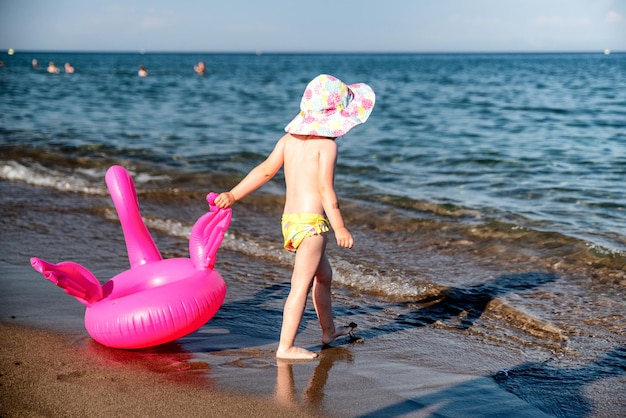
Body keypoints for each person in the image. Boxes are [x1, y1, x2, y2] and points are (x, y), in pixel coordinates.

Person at [214, 74, 375, 360]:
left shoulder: (288, 140)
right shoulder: (327, 146)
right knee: (300, 285)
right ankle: (285, 347)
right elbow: (326, 190)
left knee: (323, 276)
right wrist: (340, 227)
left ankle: (328, 331)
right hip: (313, 225)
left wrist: (233, 195)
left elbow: (264, 171)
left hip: (290, 223)